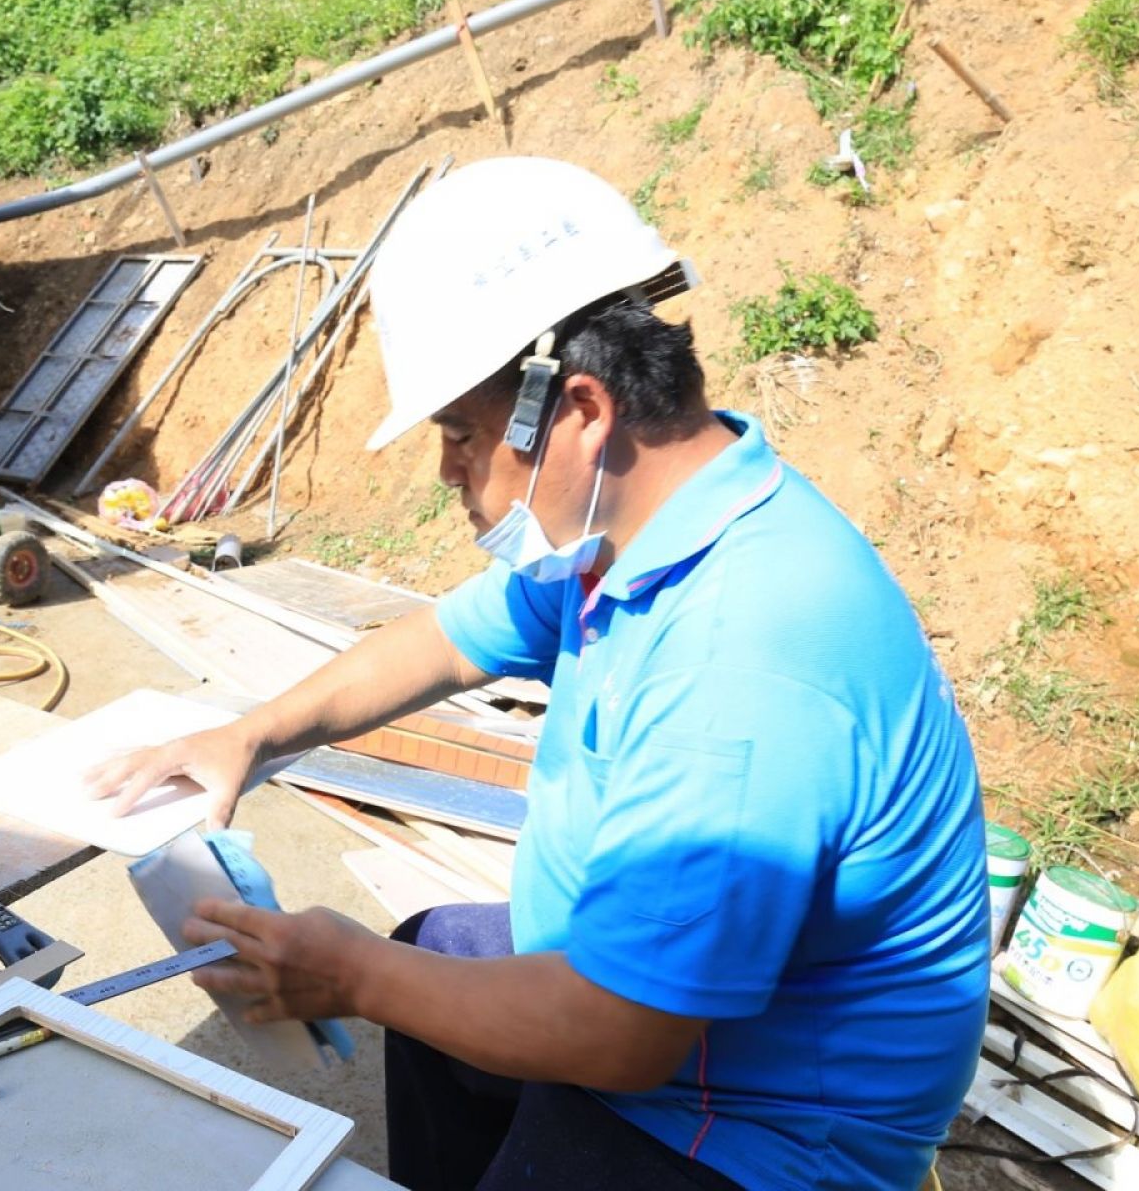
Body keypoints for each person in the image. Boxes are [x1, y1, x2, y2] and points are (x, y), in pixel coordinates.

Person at [85, 157, 991, 1191]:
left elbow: (623, 1034)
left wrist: (353, 975)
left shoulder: (743, 656)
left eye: (462, 437)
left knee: (411, 989)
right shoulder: (637, 534)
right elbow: (444, 641)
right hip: (682, 1033)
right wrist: (249, 734)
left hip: (755, 1126)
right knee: (434, 953)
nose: (448, 473)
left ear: (582, 409)